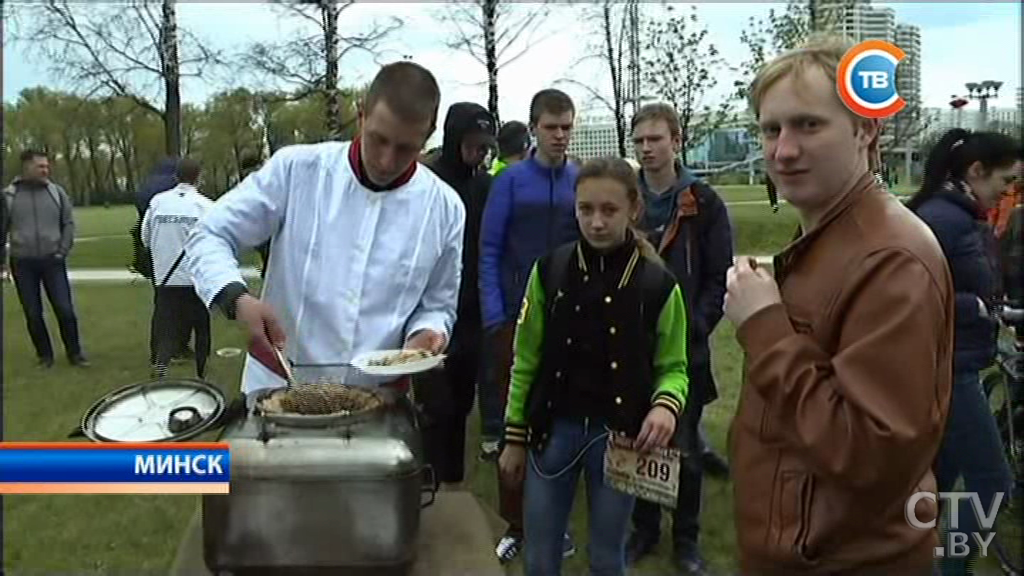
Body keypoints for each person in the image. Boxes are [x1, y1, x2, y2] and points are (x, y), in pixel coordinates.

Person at [726, 35, 954, 574]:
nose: (782, 150)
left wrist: (764, 327)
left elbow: (869, 452)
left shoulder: (891, 258)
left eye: (808, 125)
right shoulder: (835, 236)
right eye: (770, 129)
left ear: (865, 128)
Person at [185, 61, 465, 403]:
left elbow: (438, 304)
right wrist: (237, 299)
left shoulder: (446, 208)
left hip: (378, 399)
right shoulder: (296, 170)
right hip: (280, 385)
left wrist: (428, 335)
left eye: (406, 148)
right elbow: (210, 234)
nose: (387, 161)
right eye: (378, 140)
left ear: (428, 135)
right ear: (361, 115)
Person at [499, 156, 689, 576]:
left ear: (633, 209)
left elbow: (675, 365)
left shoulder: (658, 286)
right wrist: (514, 436)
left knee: (606, 557)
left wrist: (665, 405)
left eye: (609, 210)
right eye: (586, 210)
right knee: (541, 557)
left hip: (618, 438)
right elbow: (525, 359)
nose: (597, 222)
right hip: (552, 431)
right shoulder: (549, 271)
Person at [625, 103, 734, 576]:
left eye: (655, 139)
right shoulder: (626, 199)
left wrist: (697, 325)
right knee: (639, 442)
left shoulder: (703, 203)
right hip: (631, 345)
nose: (647, 149)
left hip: (684, 345)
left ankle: (686, 541)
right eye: (639, 141)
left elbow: (719, 275)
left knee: (684, 447)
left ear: (676, 139)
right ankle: (645, 529)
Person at [907, 128, 1019, 575]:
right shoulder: (941, 219)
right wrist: (973, 306)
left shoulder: (963, 215)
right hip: (950, 371)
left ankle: (918, 561)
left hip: (957, 362)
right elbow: (907, 295)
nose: (1008, 192)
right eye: (1004, 181)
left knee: (936, 480)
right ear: (976, 171)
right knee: (993, 484)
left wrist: (996, 306)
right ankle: (950, 569)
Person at [479, 88, 580, 562]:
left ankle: (552, 524)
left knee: (558, 427)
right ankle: (515, 523)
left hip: (569, 323)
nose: (559, 136)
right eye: (550, 127)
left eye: (566, 127)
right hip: (515, 321)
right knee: (513, 425)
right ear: (534, 128)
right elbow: (490, 250)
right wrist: (496, 316)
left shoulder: (581, 179)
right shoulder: (512, 181)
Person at [418, 102, 497, 488]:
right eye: (473, 144)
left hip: (473, 313)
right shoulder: (425, 181)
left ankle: (451, 482)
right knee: (435, 405)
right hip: (429, 310)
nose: (480, 153)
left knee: (463, 402)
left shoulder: (486, 185)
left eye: (486, 146)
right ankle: (426, 479)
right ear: (454, 139)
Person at [2, 150, 89, 368]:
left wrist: (63, 249)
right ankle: (45, 356)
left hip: (53, 260)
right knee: (33, 313)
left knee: (65, 310)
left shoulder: (56, 192)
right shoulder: (9, 196)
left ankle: (75, 354)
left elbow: (68, 223)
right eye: (40, 166)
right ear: (26, 168)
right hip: (23, 262)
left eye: (46, 166)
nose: (45, 170)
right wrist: (2, 263)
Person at [142, 158, 215, 380]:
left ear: (175, 177)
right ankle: (201, 371)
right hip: (195, 278)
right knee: (201, 326)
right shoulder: (205, 205)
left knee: (165, 324)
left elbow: (145, 236)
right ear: (199, 178)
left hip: (165, 276)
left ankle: (161, 365)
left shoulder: (158, 202)